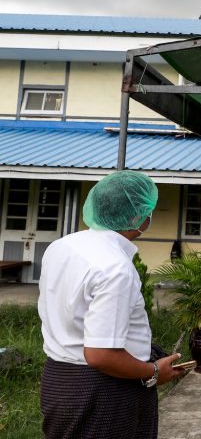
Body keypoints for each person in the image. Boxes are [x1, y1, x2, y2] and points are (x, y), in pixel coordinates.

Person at [38, 171, 186, 439]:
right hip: (104, 390)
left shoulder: (61, 247)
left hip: (58, 379)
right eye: (148, 211)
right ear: (139, 218)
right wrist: (154, 372)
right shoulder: (114, 267)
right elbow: (101, 355)